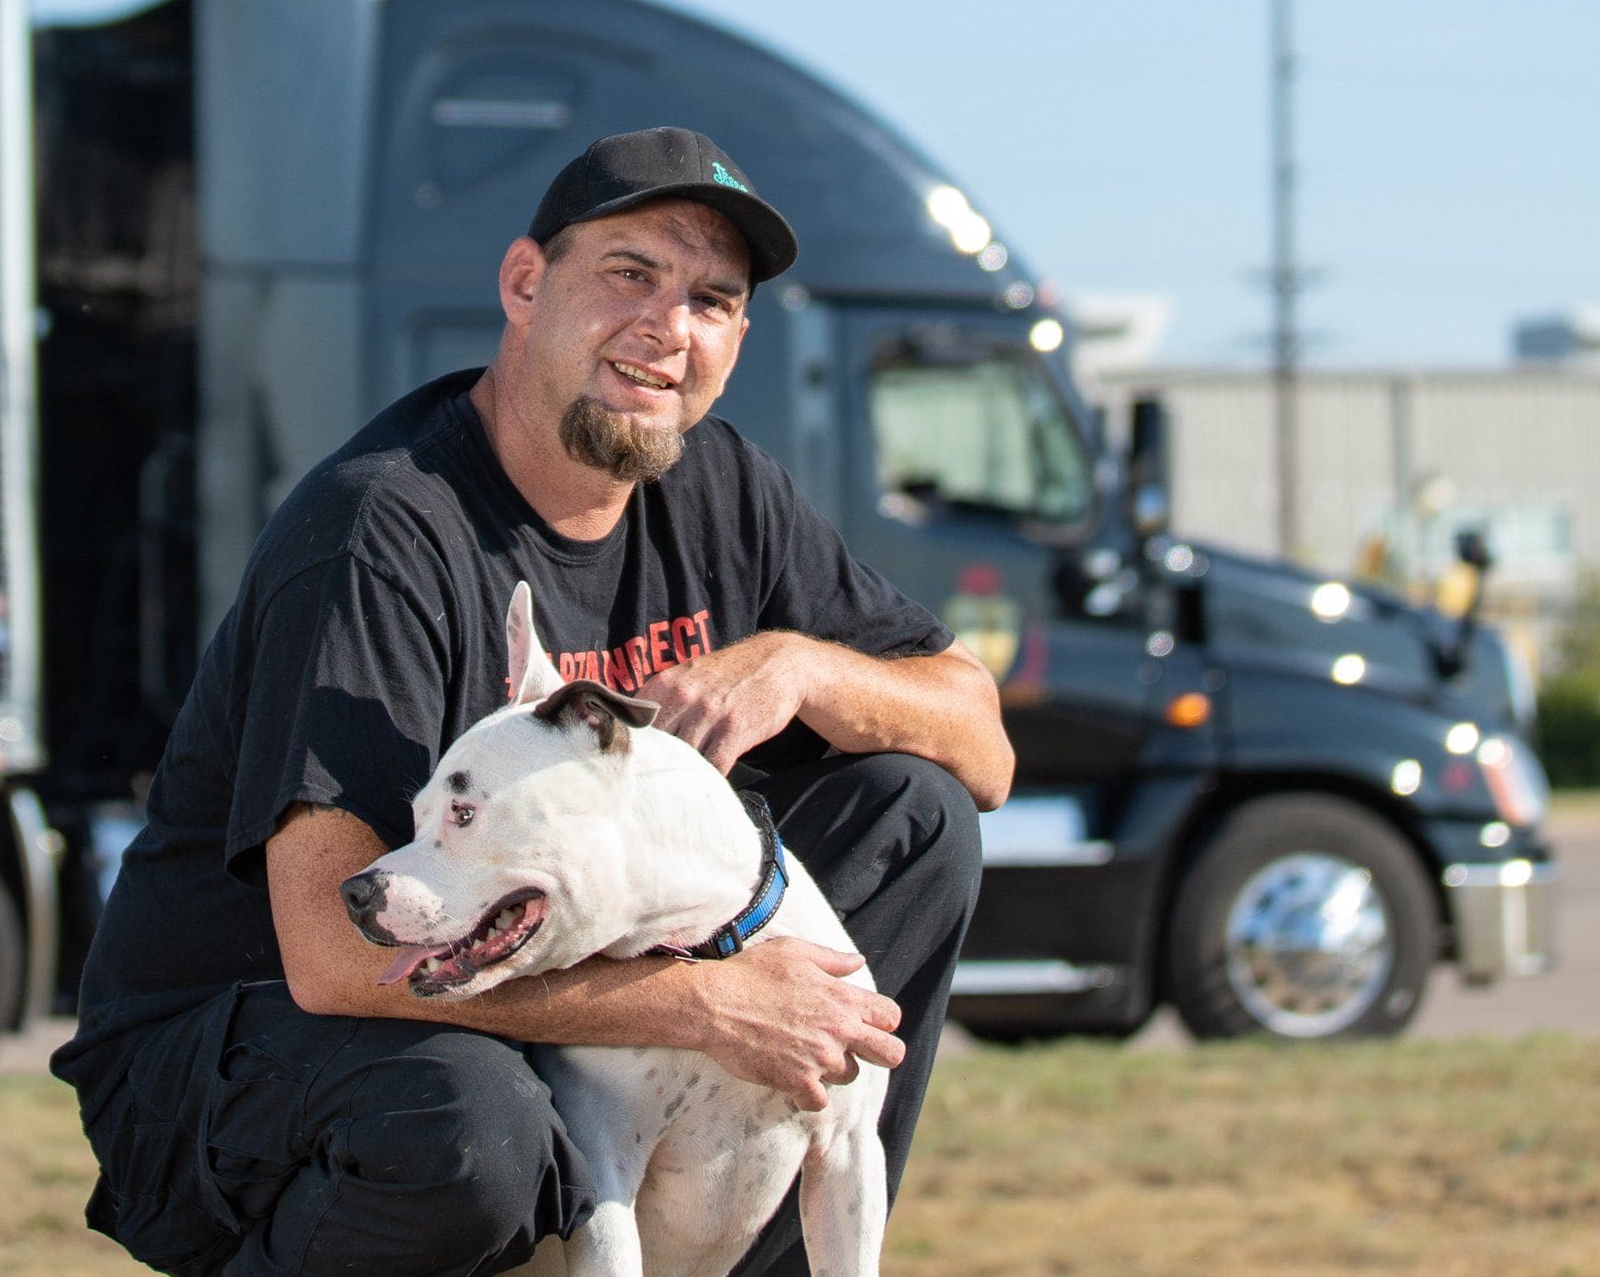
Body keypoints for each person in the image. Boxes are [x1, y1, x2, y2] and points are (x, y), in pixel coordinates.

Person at [52, 126, 1013, 1277]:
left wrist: (800, 664)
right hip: (242, 1048)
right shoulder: (378, 533)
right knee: (472, 1130)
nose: (668, 325)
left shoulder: (725, 490)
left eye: (712, 299)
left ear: (738, 340)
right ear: (523, 283)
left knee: (912, 810)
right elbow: (327, 957)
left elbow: (983, 743)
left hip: (496, 986)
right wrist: (705, 1002)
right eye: (629, 274)